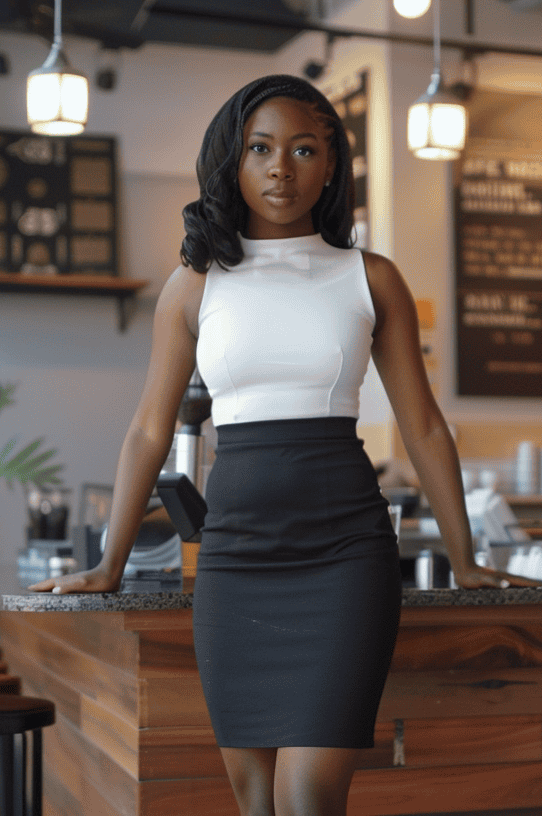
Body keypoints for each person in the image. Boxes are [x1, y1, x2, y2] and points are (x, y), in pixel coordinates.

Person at [29, 74, 541, 816]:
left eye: (303, 149)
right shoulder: (195, 285)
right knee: (255, 800)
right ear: (231, 163)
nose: (281, 167)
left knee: (308, 798)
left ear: (331, 165)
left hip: (343, 557)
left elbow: (425, 425)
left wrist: (464, 556)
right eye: (260, 148)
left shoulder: (371, 279)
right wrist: (109, 563)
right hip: (236, 562)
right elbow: (149, 426)